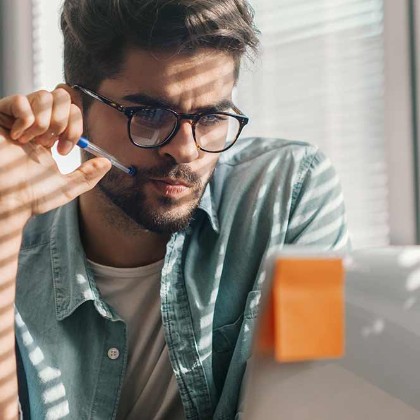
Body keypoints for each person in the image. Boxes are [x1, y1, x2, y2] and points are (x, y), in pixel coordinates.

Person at [0, 0, 349, 419]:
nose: (185, 150)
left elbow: (312, 399)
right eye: (148, 113)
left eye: (211, 116)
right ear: (77, 109)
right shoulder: (17, 240)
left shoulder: (290, 190)